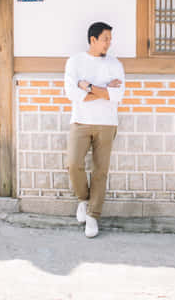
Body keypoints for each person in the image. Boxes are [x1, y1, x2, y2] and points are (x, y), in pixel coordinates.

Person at [63, 21, 125, 238]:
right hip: (80, 121)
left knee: (100, 171)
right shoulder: (75, 62)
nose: (109, 43)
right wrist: (104, 90)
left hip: (108, 123)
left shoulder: (115, 64)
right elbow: (72, 93)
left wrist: (87, 86)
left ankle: (93, 216)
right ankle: (83, 199)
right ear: (93, 40)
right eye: (105, 38)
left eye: (110, 38)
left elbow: (116, 96)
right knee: (73, 164)